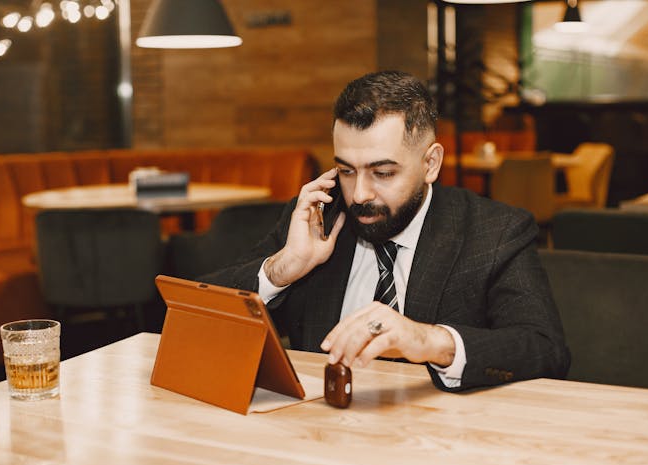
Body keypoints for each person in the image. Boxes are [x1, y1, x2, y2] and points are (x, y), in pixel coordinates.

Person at [203, 70, 569, 392]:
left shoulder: (494, 232)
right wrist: (283, 268)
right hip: (322, 437)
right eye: (346, 170)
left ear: (430, 163)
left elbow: (545, 349)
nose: (359, 194)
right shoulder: (319, 219)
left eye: (383, 173)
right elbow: (198, 318)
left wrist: (428, 340)